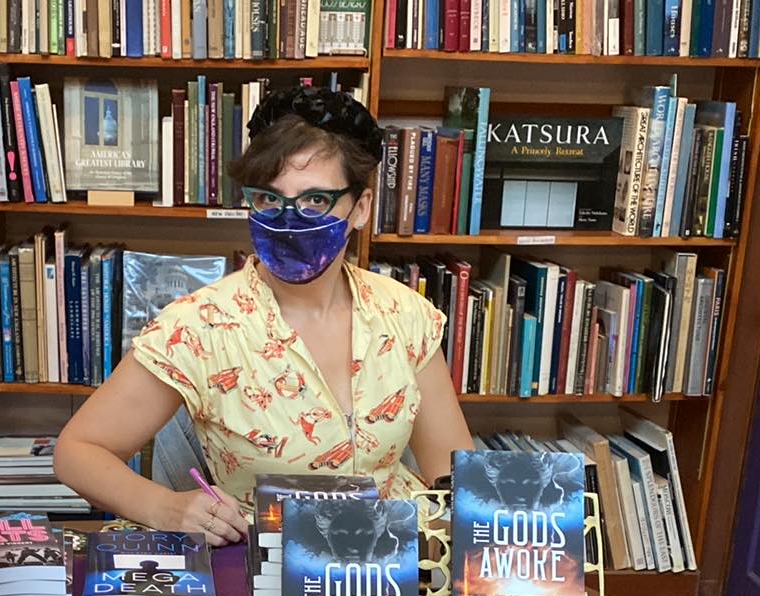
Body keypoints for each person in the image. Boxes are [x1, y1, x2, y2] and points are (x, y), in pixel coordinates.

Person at [56, 86, 475, 546]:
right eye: (269, 200)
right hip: (270, 570)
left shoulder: (405, 314)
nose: (288, 220)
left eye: (315, 200)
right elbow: (77, 452)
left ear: (361, 208)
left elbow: (452, 480)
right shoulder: (201, 326)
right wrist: (168, 507)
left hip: (396, 572)